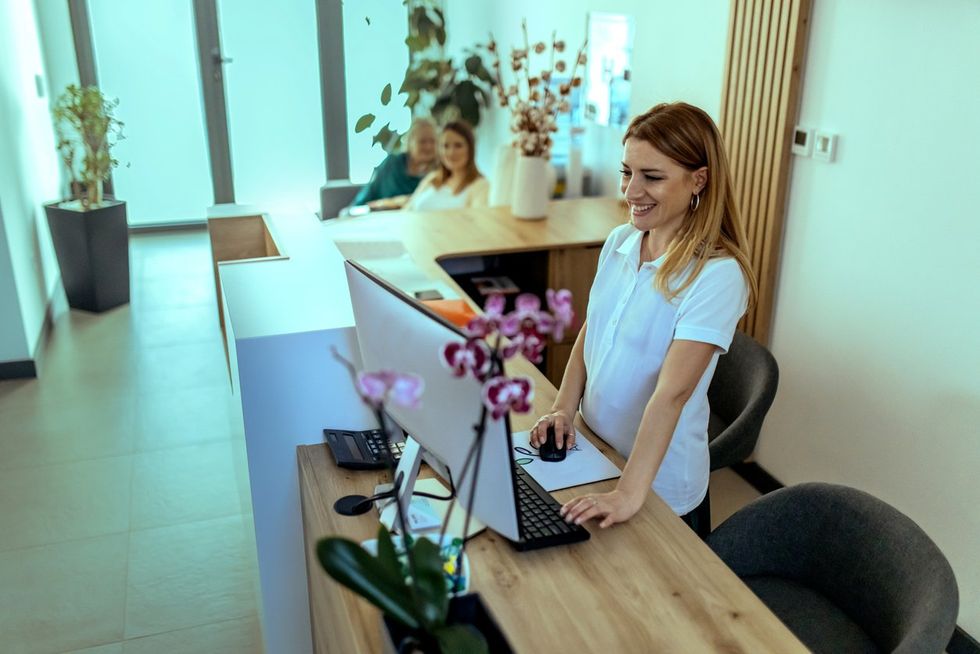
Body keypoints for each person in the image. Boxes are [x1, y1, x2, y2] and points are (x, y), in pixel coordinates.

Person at [530, 102, 758, 539]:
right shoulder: (621, 240)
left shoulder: (717, 275)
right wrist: (562, 408)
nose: (631, 191)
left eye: (652, 177)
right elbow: (592, 331)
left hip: (655, 486)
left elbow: (671, 395)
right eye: (627, 172)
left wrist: (629, 492)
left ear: (699, 180)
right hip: (591, 451)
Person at [350, 118, 438, 209]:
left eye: (432, 141)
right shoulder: (391, 164)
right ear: (410, 142)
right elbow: (366, 197)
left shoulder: (441, 171)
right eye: (422, 142)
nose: (428, 147)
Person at [403, 121, 489, 211]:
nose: (451, 152)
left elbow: (478, 221)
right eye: (445, 146)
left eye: (458, 145)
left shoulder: (481, 185)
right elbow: (407, 210)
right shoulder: (432, 179)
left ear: (470, 149)